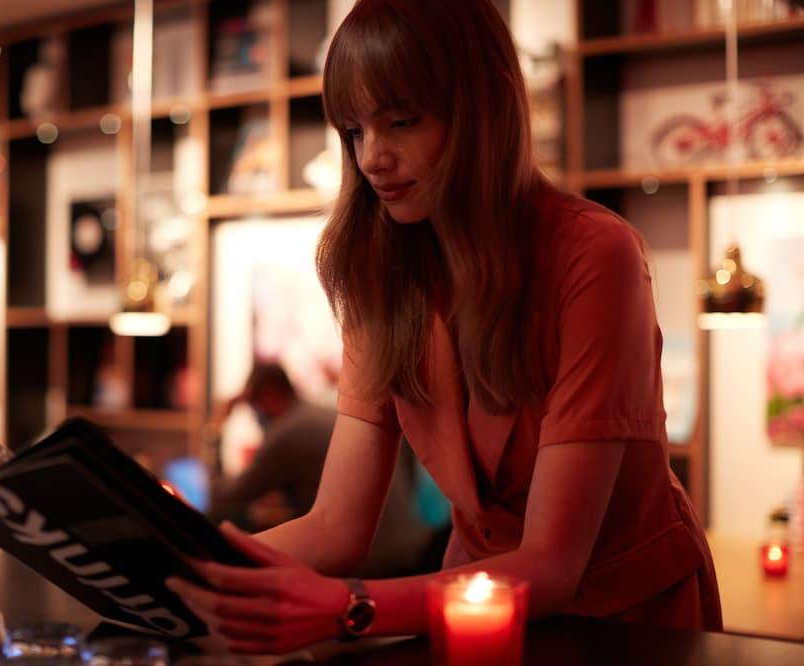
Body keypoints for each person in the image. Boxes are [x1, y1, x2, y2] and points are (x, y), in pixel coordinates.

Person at [165, 0, 722, 655]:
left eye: (401, 122)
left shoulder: (595, 256)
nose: (373, 157)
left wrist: (350, 607)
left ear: (483, 114)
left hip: (628, 624)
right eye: (353, 131)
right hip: (472, 607)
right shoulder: (380, 272)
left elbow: (550, 565)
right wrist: (175, 574)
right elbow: (337, 527)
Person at [210, 361, 440, 578]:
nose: (255, 414)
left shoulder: (288, 433)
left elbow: (224, 495)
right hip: (409, 546)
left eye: (253, 405)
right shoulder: (321, 413)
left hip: (372, 564)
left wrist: (215, 431)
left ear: (269, 394)